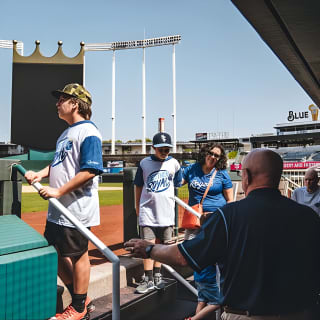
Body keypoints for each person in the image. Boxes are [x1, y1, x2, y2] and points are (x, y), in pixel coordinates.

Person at [125, 149, 320, 320]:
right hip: (303, 313)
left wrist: (149, 248)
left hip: (246, 315)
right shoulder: (309, 217)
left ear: (247, 176)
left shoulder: (228, 216)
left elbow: (183, 257)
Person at [25, 83, 104, 320]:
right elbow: (58, 163)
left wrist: (58, 192)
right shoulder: (65, 133)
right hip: (59, 210)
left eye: (62, 99)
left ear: (76, 104)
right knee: (54, 253)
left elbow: (90, 170)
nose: (57, 103)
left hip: (76, 208)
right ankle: (81, 299)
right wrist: (40, 173)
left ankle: (78, 308)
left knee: (79, 254)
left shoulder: (88, 131)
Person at [182, 143, 233, 320]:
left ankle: (214, 293)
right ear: (205, 153)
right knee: (196, 255)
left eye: (217, 155)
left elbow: (230, 201)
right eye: (210, 153)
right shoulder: (192, 169)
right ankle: (208, 293)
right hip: (195, 221)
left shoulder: (222, 174)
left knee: (216, 257)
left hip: (216, 221)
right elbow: (175, 182)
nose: (213, 157)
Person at [134, 132, 182, 293]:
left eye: (167, 149)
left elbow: (178, 184)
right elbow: (138, 186)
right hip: (147, 211)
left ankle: (157, 275)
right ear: (153, 148)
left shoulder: (174, 163)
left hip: (166, 213)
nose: (164, 151)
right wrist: (137, 207)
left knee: (161, 246)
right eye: (161, 148)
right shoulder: (144, 163)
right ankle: (147, 278)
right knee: (146, 245)